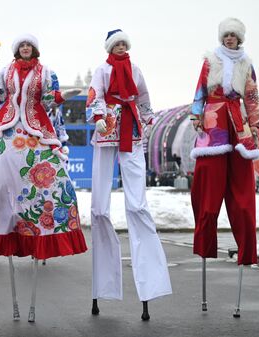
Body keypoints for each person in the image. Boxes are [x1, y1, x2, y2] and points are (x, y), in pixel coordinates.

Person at [0, 34, 87, 321]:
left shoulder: (45, 72)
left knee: (46, 176)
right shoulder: (6, 71)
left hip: (35, 127)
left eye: (28, 45)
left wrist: (64, 95)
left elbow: (50, 98)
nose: (25, 48)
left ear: (34, 49)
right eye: (21, 45)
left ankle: (40, 216)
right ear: (17, 49)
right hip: (7, 126)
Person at [86, 29, 172, 320]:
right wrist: (98, 117)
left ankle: (150, 284)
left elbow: (144, 97)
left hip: (132, 132)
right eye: (117, 44)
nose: (121, 47)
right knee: (99, 207)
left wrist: (148, 119)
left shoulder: (135, 69)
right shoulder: (102, 69)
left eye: (124, 43)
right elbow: (94, 94)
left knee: (137, 205)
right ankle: (103, 285)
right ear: (110, 47)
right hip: (108, 128)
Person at [190, 18, 259, 316]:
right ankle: (206, 245)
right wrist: (196, 116)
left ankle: (245, 249)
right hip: (214, 123)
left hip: (239, 123)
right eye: (226, 35)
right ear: (222, 37)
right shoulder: (210, 60)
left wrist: (255, 125)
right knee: (208, 196)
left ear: (239, 38)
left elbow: (253, 97)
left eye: (234, 35)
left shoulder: (247, 62)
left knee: (241, 197)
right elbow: (199, 93)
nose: (230, 39)